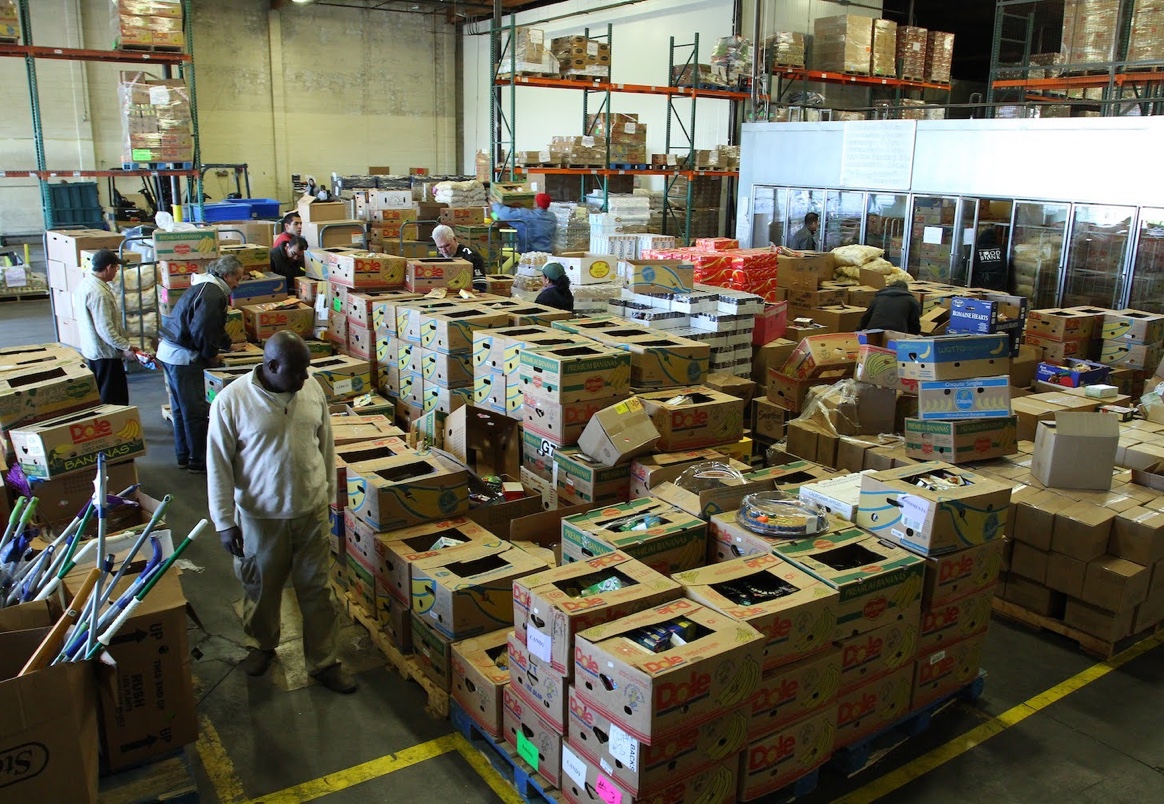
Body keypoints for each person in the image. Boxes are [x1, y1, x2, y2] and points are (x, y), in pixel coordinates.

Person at [206, 331, 356, 694]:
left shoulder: (311, 389)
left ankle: (323, 662)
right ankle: (261, 645)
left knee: (318, 590)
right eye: (297, 371)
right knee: (261, 587)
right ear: (271, 366)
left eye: (307, 369)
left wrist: (330, 498)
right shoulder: (232, 402)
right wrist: (225, 522)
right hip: (262, 516)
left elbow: (326, 445)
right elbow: (218, 466)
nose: (305, 378)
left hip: (310, 510)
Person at [157, 255, 245, 473]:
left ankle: (184, 455)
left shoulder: (205, 287)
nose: (238, 284)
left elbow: (212, 326)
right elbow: (203, 330)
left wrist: (228, 345)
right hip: (183, 358)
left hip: (169, 352)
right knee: (195, 411)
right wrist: (211, 355)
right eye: (237, 278)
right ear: (227, 275)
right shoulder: (214, 294)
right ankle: (198, 461)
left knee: (180, 409)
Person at [76, 248, 143, 405]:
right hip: (105, 355)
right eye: (116, 267)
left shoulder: (86, 283)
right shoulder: (100, 294)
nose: (117, 271)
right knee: (113, 397)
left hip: (93, 351)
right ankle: (116, 426)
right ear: (108, 268)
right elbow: (105, 329)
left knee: (102, 392)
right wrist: (125, 347)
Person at [490, 192, 557, 254]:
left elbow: (504, 213)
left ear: (536, 203)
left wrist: (494, 203)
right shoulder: (552, 217)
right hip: (547, 253)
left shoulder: (525, 214)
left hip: (529, 254)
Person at [432, 224, 486, 290]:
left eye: (447, 245)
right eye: (440, 247)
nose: (444, 251)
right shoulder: (440, 259)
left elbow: (480, 287)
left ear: (455, 239)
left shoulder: (472, 257)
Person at [972, 226, 1008, 292]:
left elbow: (969, 266)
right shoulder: (1001, 250)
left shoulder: (977, 250)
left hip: (980, 284)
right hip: (998, 285)